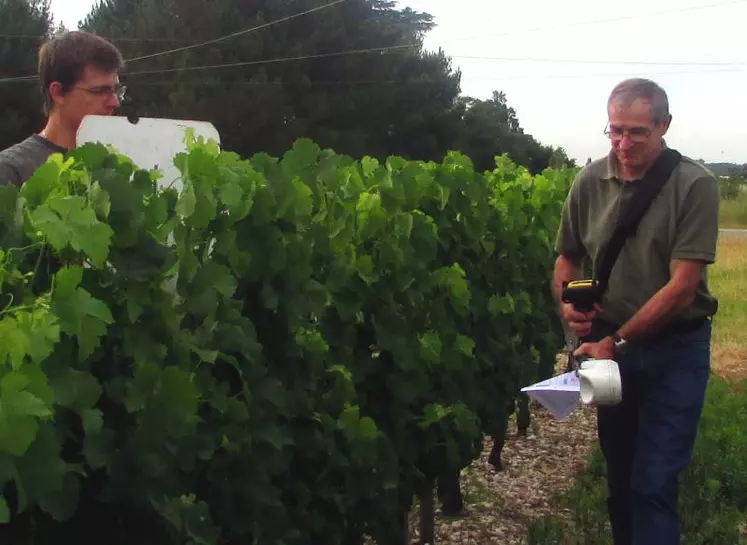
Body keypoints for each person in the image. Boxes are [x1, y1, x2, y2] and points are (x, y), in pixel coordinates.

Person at [552, 78, 720, 545]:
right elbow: (567, 259)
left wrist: (618, 341)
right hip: (612, 352)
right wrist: (573, 312)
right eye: (615, 131)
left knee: (654, 480)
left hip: (675, 349)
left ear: (664, 125)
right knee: (621, 475)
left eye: (637, 132)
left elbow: (684, 286)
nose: (623, 144)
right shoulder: (589, 182)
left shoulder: (694, 185)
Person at [0, 31, 125, 187]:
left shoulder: (118, 163)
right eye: (100, 91)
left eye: (116, 90)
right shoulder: (10, 171)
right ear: (58, 93)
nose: (114, 102)